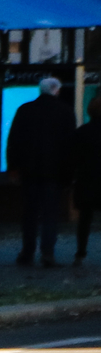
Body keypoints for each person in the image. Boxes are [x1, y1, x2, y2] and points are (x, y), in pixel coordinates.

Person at [7, 74, 72, 268]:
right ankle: (47, 252)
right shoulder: (65, 112)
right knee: (50, 214)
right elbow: (68, 146)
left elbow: (14, 141)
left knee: (29, 213)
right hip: (53, 172)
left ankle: (27, 252)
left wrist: (13, 167)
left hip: (29, 171)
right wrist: (68, 175)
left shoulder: (25, 110)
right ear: (56, 90)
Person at [71, 92, 101, 266]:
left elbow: (73, 157)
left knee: (85, 219)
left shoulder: (82, 132)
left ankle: (81, 253)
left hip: (87, 181)